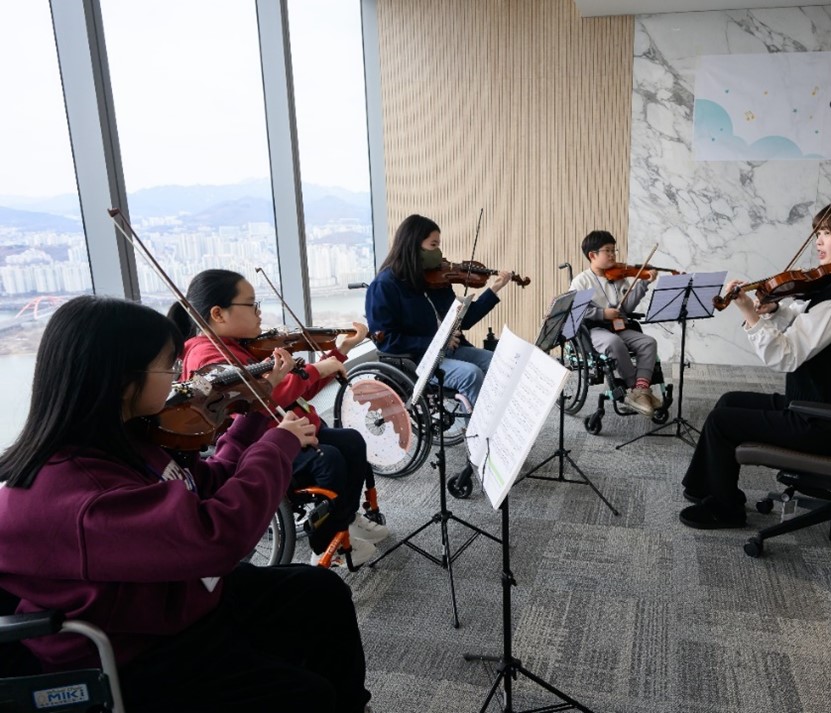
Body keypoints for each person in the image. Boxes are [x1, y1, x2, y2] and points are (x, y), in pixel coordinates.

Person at [0, 296, 373, 713]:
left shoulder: (125, 441)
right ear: (124, 382)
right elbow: (216, 537)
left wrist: (251, 421)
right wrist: (277, 448)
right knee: (305, 696)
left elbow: (205, 483)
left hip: (178, 602)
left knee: (319, 591)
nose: (180, 379)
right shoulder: (80, 498)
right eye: (168, 367)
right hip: (138, 652)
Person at [679, 197, 831, 529]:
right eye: (817, 232)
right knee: (730, 400)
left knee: (721, 421)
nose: (818, 240)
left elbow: (786, 356)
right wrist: (774, 311)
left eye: (827, 233)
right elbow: (805, 317)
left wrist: (749, 314)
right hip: (815, 405)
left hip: (824, 423)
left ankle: (725, 508)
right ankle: (707, 489)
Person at [172, 269, 388, 567]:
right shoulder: (207, 358)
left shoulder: (238, 347)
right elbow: (266, 399)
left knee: (352, 441)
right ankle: (326, 545)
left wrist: (339, 352)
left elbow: (294, 389)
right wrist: (317, 369)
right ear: (218, 314)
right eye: (252, 305)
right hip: (257, 443)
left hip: (291, 428)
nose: (260, 314)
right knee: (330, 460)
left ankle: (345, 518)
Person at [364, 213, 514, 409]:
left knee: (496, 362)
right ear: (413, 245)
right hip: (417, 360)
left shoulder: (435, 279)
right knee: (471, 373)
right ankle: (482, 433)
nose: (439, 252)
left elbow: (464, 321)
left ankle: (498, 417)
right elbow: (386, 341)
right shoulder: (384, 285)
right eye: (433, 245)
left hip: (448, 351)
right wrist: (436, 342)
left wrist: (494, 289)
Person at [570, 230, 661, 417]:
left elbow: (626, 307)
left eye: (614, 250)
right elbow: (576, 312)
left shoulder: (618, 277)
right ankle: (633, 387)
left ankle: (641, 389)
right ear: (593, 255)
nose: (613, 255)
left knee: (648, 342)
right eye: (608, 251)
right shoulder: (581, 281)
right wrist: (602, 313)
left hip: (619, 326)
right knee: (613, 343)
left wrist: (643, 284)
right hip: (593, 330)